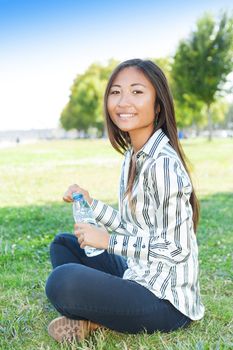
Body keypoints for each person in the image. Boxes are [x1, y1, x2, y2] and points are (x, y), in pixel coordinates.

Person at [45, 58, 205, 343]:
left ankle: (98, 318)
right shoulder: (133, 156)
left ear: (158, 105)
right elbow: (132, 226)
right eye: (116, 92)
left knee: (62, 282)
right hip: (138, 273)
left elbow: (177, 249)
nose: (123, 101)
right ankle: (105, 313)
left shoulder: (163, 165)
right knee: (63, 244)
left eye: (137, 92)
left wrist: (107, 241)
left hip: (166, 302)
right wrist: (91, 204)